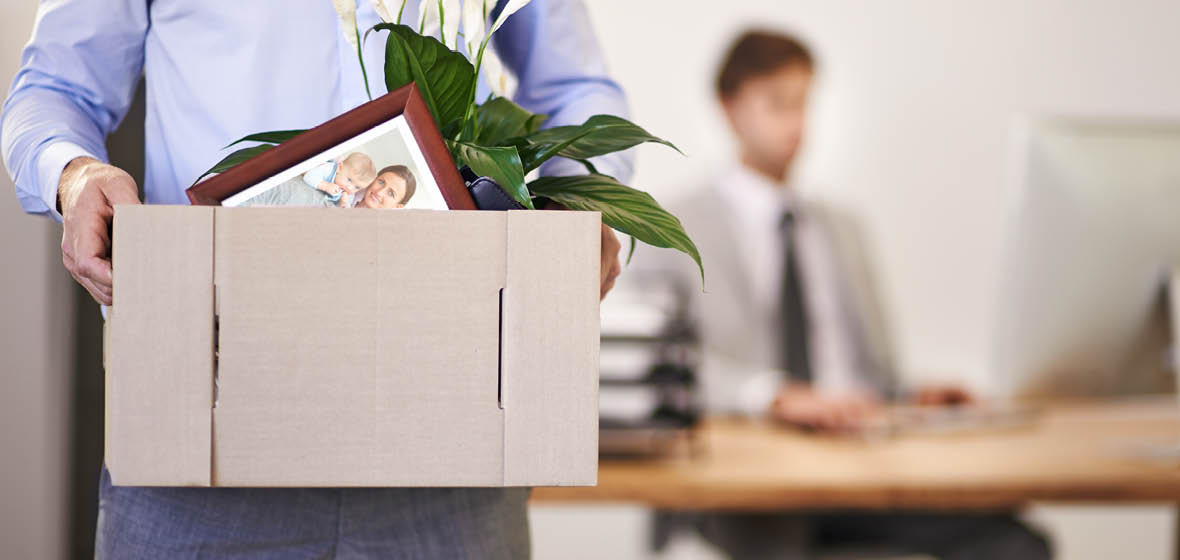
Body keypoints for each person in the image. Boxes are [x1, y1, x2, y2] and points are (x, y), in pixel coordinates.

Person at [1, 0, 625, 557]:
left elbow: (576, 87)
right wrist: (74, 176)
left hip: (454, 444)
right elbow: (55, 87)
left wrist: (577, 212)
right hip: (198, 431)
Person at [638, 30, 1051, 559]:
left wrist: (915, 395)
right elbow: (659, 368)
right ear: (731, 107)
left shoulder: (844, 229)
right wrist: (775, 396)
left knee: (1016, 544)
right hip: (753, 480)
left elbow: (873, 376)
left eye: (804, 103)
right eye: (778, 104)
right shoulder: (670, 227)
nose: (797, 124)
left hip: (863, 465)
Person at [301, 152, 377, 206]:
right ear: (339, 168)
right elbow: (308, 176)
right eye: (349, 180)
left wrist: (342, 203)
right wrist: (324, 185)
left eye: (357, 187)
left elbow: (343, 209)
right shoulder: (328, 169)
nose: (350, 187)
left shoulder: (349, 194)